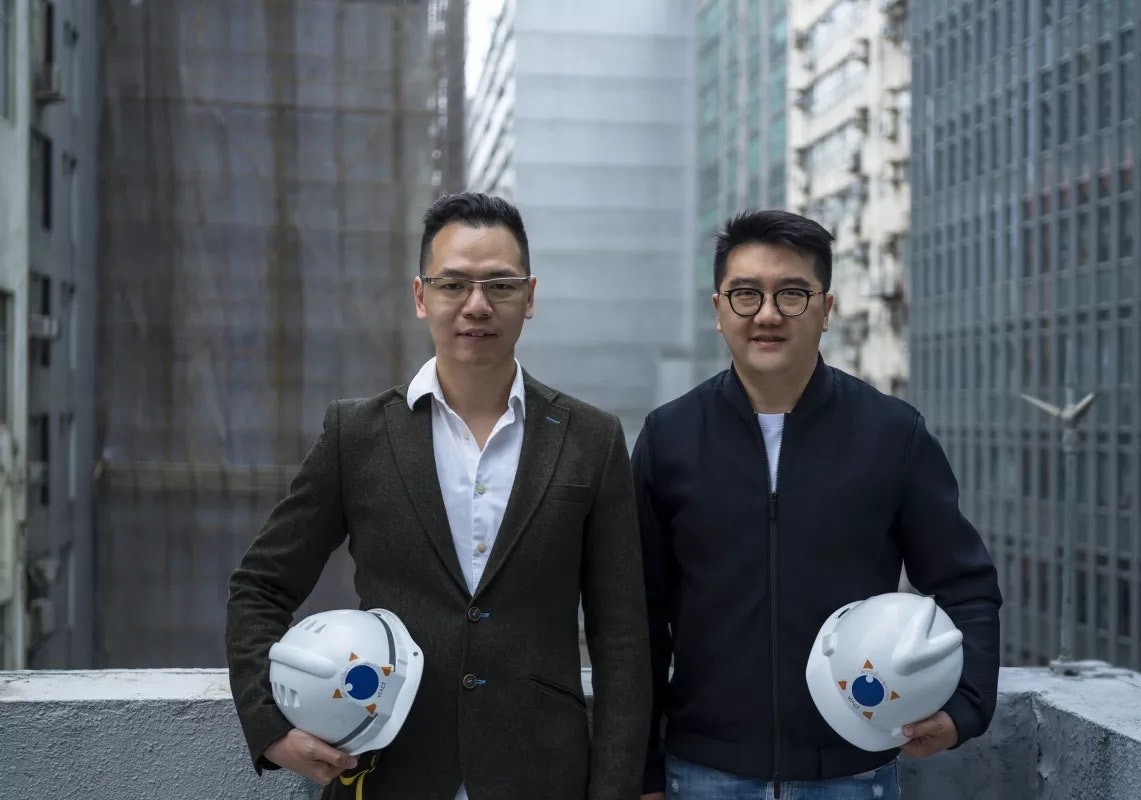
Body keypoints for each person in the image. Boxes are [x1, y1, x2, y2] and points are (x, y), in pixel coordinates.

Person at [227, 192, 651, 800]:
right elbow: (261, 586)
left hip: (543, 774)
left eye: (500, 285)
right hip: (387, 772)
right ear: (421, 295)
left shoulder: (591, 439)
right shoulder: (358, 435)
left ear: (530, 297)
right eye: (453, 284)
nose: (477, 305)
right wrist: (270, 727)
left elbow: (623, 639)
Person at [633, 210, 1002, 800]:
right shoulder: (669, 437)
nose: (768, 314)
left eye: (793, 294)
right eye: (746, 294)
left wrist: (967, 707)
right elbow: (640, 615)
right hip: (703, 772)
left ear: (826, 309)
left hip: (853, 774)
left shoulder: (891, 434)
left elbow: (965, 584)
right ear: (719, 309)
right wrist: (643, 768)